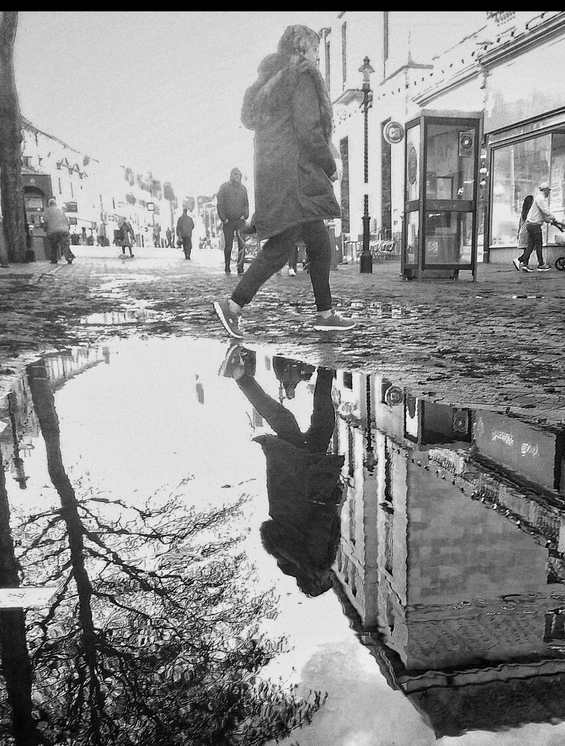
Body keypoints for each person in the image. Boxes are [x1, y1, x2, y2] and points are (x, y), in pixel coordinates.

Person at [213, 24, 357, 336]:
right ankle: (233, 306)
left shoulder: (267, 82)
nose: (317, 58)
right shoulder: (300, 75)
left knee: (319, 243)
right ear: (303, 49)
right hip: (296, 176)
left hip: (275, 174)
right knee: (279, 249)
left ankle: (325, 313)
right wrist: (329, 167)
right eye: (316, 51)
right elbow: (308, 129)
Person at [219, 345, 344, 596]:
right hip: (293, 482)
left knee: (323, 421)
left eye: (329, 580)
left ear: (318, 580)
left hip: (310, 480)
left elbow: (322, 522)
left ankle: (327, 367)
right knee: (284, 421)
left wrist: (336, 499)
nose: (332, 575)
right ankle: (239, 375)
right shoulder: (288, 558)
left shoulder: (317, 561)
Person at [513, 181, 561, 272]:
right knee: (539, 244)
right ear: (545, 190)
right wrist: (553, 218)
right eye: (548, 191)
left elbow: (541, 215)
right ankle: (541, 264)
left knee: (531, 245)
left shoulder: (539, 199)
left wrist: (549, 220)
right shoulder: (540, 198)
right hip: (535, 225)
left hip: (531, 225)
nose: (549, 193)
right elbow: (545, 210)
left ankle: (523, 263)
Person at [217, 167, 251, 275]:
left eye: (239, 175)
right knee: (228, 245)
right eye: (236, 174)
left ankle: (240, 267)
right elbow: (220, 204)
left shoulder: (243, 189)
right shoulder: (224, 188)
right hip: (228, 221)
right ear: (231, 175)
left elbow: (246, 203)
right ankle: (227, 266)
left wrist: (245, 215)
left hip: (240, 221)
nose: (238, 177)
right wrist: (223, 218)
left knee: (242, 244)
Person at [43, 198, 75, 265]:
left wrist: (45, 229)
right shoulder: (60, 211)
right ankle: (69, 257)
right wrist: (67, 228)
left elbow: (45, 222)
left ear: (49, 204)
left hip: (53, 231)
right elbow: (66, 220)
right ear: (55, 204)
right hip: (64, 230)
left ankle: (54, 259)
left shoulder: (47, 211)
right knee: (65, 245)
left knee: (53, 245)